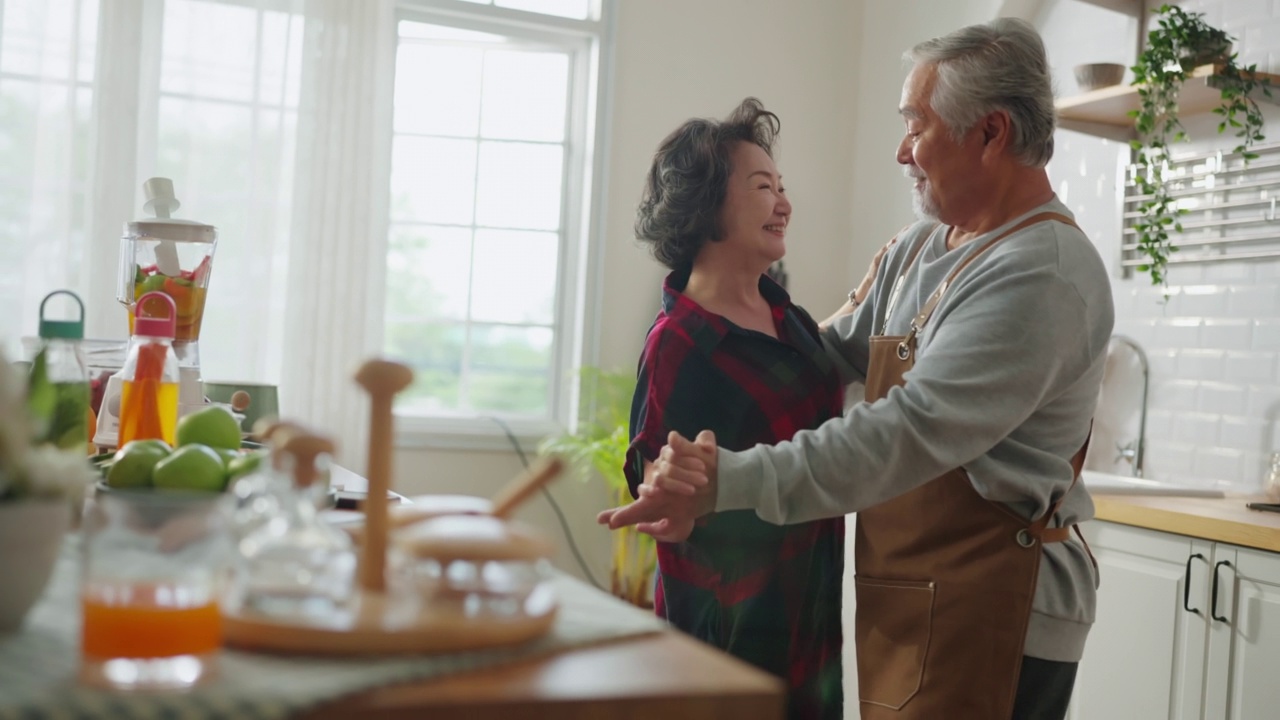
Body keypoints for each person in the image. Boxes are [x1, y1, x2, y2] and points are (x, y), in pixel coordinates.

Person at [601, 18, 1115, 720]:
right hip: (910, 594)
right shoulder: (923, 245)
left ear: (991, 134)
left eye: (916, 125)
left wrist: (728, 478)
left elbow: (904, 432)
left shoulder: (1040, 273)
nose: (902, 152)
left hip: (1000, 611)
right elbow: (830, 353)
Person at [625, 97, 885, 720]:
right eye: (763, 186)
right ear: (708, 203)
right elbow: (649, 473)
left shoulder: (786, 316)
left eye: (783, 185)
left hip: (811, 605)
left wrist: (883, 292)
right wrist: (672, 506)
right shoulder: (679, 340)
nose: (784, 202)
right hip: (728, 623)